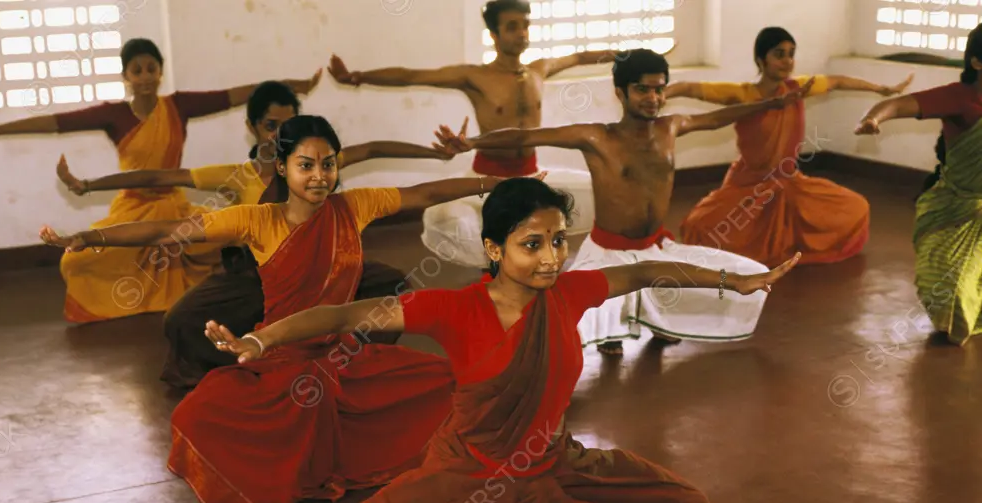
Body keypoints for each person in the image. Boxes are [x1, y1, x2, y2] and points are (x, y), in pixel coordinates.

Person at [204, 177, 800, 503]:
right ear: (494, 249)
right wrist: (262, 340)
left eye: (559, 241)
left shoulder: (570, 294)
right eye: (532, 244)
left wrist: (736, 281)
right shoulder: (451, 309)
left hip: (555, 467)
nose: (551, 257)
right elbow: (339, 315)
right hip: (469, 473)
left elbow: (645, 270)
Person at [40, 114, 528, 503]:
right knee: (195, 414)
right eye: (306, 165)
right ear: (284, 167)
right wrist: (93, 237)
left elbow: (424, 192)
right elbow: (175, 228)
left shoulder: (354, 206)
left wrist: (499, 183)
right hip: (278, 357)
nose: (319, 175)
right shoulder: (259, 220)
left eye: (329, 164)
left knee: (452, 386)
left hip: (343, 357)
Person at [56, 80, 460, 388]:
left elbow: (373, 150)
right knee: (181, 320)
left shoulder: (316, 161)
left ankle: (348, 365)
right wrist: (89, 188)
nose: (280, 133)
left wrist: (438, 153)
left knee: (394, 286)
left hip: (331, 269)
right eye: (271, 125)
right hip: (253, 276)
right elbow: (160, 177)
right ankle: (241, 369)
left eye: (288, 124)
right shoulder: (237, 177)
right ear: (254, 127)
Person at [432, 48, 804, 355]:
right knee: (554, 329)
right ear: (621, 93)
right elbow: (531, 132)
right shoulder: (596, 137)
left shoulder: (671, 127)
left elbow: (717, 118)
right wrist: (473, 144)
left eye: (660, 90)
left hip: (655, 244)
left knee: (742, 273)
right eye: (643, 90)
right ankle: (612, 328)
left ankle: (658, 321)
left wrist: (770, 103)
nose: (654, 98)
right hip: (608, 250)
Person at [0, 38, 322, 324]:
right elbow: (60, 121)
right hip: (132, 206)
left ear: (161, 72)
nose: (146, 76)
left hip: (174, 203)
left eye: (152, 68)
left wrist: (294, 86)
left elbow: (237, 95)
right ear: (126, 76)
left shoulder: (179, 106)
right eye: (137, 70)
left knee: (217, 239)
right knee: (75, 261)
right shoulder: (114, 115)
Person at [327, 0, 631, 269]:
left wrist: (627, 56)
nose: (522, 33)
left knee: (569, 213)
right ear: (495, 35)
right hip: (489, 176)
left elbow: (579, 58)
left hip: (530, 172)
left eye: (525, 26)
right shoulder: (475, 76)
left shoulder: (540, 69)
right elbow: (411, 76)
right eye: (512, 27)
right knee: (496, 241)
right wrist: (358, 78)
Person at [666, 27, 912, 268]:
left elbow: (837, 81)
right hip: (748, 184)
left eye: (791, 53)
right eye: (779, 54)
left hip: (789, 181)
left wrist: (881, 89)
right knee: (702, 229)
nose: (787, 61)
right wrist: (660, 93)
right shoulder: (742, 94)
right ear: (761, 60)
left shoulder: (798, 89)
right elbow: (689, 87)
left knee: (857, 208)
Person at [854, 22, 982, 347]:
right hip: (956, 207)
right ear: (976, 62)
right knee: (947, 295)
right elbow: (898, 104)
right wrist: (873, 118)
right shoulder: (960, 97)